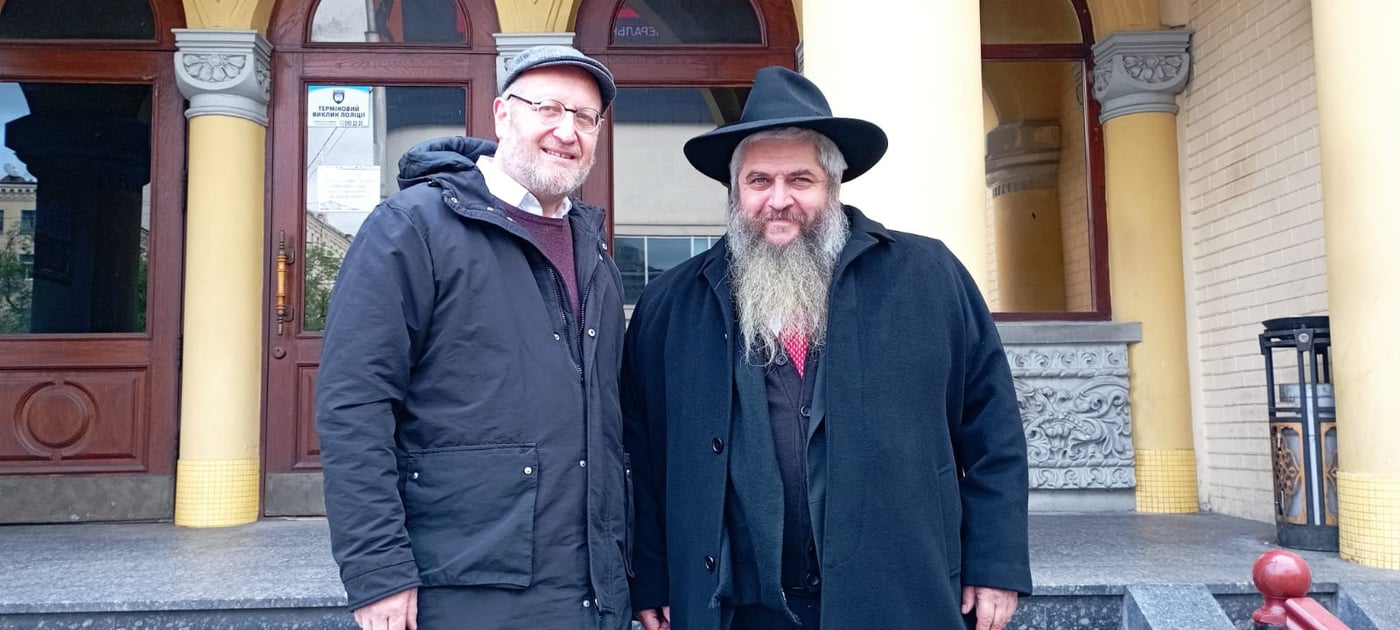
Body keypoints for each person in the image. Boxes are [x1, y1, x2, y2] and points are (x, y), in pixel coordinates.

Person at [622, 66, 1032, 630]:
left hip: (898, 595)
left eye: (801, 179)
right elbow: (640, 457)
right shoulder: (670, 305)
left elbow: (993, 430)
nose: (779, 200)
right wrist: (653, 576)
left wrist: (994, 563)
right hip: (737, 608)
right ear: (736, 191)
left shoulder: (928, 277)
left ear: (833, 186)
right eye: (759, 181)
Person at [316, 45, 632, 630]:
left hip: (588, 592)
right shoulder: (412, 228)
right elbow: (355, 405)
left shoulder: (594, 254)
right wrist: (378, 570)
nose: (567, 132)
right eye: (548, 108)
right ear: (502, 114)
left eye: (585, 118)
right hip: (462, 588)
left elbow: (611, 424)